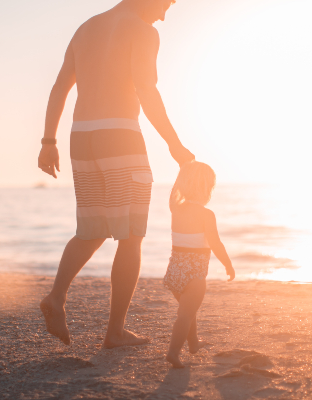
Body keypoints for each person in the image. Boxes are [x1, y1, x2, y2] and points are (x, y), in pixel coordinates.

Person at [37, 0, 195, 349]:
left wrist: (49, 141)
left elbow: (60, 86)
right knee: (131, 235)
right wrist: (174, 145)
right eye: (167, 3)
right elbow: (147, 91)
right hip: (121, 136)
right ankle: (115, 332)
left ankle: (56, 297)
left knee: (93, 228)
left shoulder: (86, 28)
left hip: (82, 138)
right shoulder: (143, 32)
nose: (165, 14)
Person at [163, 161, 235, 368]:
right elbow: (215, 243)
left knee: (188, 309)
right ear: (207, 189)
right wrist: (228, 264)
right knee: (185, 315)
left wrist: (182, 171)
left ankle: (193, 343)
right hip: (194, 273)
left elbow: (174, 191)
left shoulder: (176, 208)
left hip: (174, 272)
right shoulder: (206, 214)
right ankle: (173, 352)